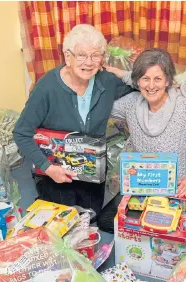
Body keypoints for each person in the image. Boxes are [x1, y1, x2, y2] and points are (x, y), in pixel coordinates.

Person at [13, 24, 134, 214]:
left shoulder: (107, 81)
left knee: (90, 219)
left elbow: (145, 83)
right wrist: (47, 168)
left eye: (95, 55)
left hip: (91, 170)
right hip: (56, 171)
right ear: (68, 57)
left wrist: (123, 74)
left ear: (102, 59)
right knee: (61, 222)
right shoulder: (46, 88)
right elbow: (21, 133)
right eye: (82, 55)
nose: (89, 62)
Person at [96, 49, 186, 232]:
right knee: (106, 221)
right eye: (145, 79)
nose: (151, 85)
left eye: (158, 79)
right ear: (137, 81)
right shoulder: (131, 103)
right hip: (142, 185)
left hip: (176, 189)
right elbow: (100, 109)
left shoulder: (185, 110)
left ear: (168, 81)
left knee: (172, 230)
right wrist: (95, 76)